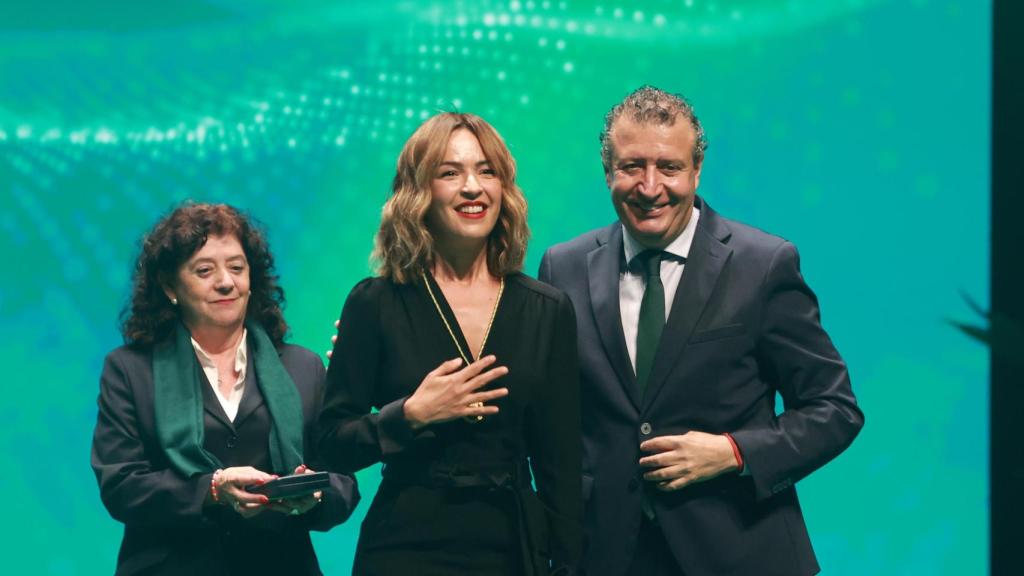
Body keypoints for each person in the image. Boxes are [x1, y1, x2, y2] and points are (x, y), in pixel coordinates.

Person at [538, 86, 864, 576]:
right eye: (632, 167)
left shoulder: (763, 264)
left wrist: (734, 452)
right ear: (607, 171)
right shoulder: (562, 267)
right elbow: (550, 420)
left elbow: (835, 409)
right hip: (604, 555)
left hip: (741, 553)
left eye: (669, 167)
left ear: (696, 170)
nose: (650, 187)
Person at [316, 112, 583, 575]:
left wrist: (569, 565)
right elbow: (330, 445)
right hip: (404, 547)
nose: (472, 188)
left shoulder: (546, 308)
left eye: (487, 171)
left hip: (512, 548)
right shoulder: (375, 302)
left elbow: (561, 467)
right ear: (418, 192)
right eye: (450, 173)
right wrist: (409, 415)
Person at [91, 203, 359, 576]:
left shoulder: (303, 366)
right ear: (170, 286)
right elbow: (121, 486)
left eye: (236, 267)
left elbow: (343, 481)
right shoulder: (129, 370)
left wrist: (313, 495)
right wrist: (212, 490)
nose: (225, 282)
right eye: (205, 271)